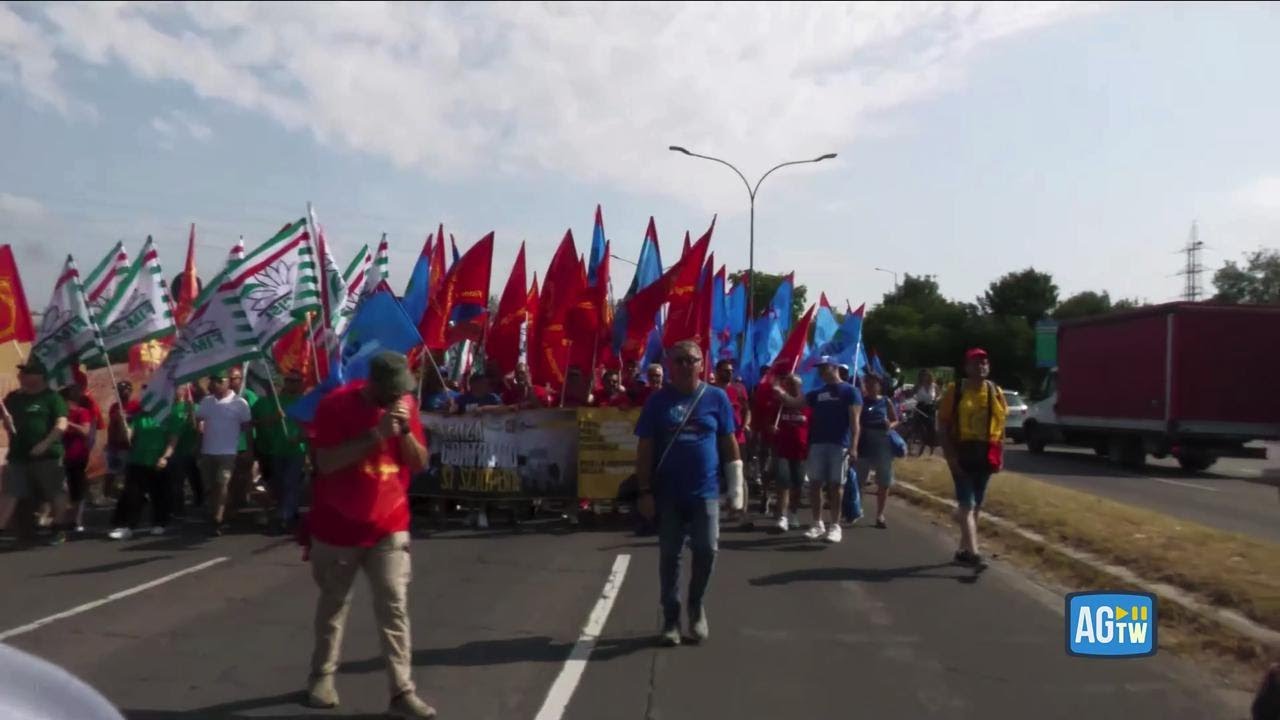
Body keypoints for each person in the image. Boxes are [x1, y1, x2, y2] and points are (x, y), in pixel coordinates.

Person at [303, 351, 436, 719]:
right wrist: (376, 435)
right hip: (337, 527)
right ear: (372, 384)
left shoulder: (405, 405)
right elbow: (326, 463)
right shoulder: (335, 406)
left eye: (402, 392)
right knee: (334, 605)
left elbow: (419, 463)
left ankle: (401, 692)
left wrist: (405, 431)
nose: (398, 398)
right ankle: (322, 677)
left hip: (389, 525)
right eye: (391, 392)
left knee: (394, 606)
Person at [635, 341, 741, 646]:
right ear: (669, 364)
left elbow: (728, 442)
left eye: (690, 360)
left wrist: (736, 488)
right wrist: (644, 492)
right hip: (667, 494)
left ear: (701, 364)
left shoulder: (716, 398)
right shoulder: (657, 401)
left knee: (707, 551)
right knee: (670, 557)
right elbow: (645, 448)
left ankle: (696, 607)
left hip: (705, 493)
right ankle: (671, 617)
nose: (684, 365)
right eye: (678, 360)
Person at [777, 356, 861, 544]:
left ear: (834, 367)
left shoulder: (850, 391)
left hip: (839, 444)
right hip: (817, 443)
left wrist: (854, 446)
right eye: (819, 369)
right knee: (815, 484)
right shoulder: (817, 393)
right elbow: (795, 403)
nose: (820, 372)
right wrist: (778, 390)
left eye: (824, 368)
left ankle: (835, 526)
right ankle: (817, 523)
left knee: (835, 486)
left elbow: (855, 423)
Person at [938, 348, 1007, 567]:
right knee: (968, 504)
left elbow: (1001, 425)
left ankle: (963, 550)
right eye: (976, 363)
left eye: (984, 362)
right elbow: (943, 426)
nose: (981, 366)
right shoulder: (955, 390)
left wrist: (1000, 455)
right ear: (966, 367)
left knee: (975, 505)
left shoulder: (995, 391)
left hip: (986, 453)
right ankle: (975, 553)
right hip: (962, 452)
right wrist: (950, 458)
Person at [0, 361, 70, 545]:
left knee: (55, 492)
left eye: (26, 373)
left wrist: (46, 443)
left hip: (47, 456)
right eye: (20, 374)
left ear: (39, 376)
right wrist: (5, 421)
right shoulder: (13, 398)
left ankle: (58, 527)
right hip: (18, 455)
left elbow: (61, 424)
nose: (21, 377)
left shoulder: (52, 398)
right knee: (10, 492)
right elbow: (4, 414)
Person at [196, 372, 252, 536]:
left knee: (223, 484)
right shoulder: (206, 402)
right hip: (208, 451)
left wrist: (249, 450)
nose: (215, 384)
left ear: (228, 383)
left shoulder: (240, 403)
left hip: (228, 452)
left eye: (219, 381)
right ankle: (220, 511)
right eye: (212, 381)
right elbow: (199, 424)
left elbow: (248, 429)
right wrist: (198, 447)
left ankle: (218, 518)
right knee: (211, 487)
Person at [107, 403, 172, 540]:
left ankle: (159, 523)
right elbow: (126, 438)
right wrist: (123, 424)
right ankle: (128, 527)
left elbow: (172, 441)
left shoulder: (166, 417)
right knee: (132, 495)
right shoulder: (138, 418)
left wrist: (165, 456)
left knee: (159, 495)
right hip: (137, 461)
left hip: (158, 462)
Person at [253, 372, 308, 533]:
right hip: (277, 449)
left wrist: (299, 438)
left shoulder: (304, 402)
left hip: (296, 450)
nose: (293, 383)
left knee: (289, 483)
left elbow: (310, 426)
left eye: (296, 381)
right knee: (279, 485)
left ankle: (284, 518)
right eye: (290, 380)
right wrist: (274, 418)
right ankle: (291, 510)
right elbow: (260, 423)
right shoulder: (275, 402)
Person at [856, 374, 899, 529]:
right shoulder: (860, 400)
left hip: (882, 443)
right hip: (864, 442)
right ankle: (857, 509)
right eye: (867, 383)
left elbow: (896, 420)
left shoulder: (885, 401)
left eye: (873, 383)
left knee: (884, 482)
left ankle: (880, 514)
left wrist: (890, 425)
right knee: (859, 479)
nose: (869, 385)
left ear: (879, 385)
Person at [770, 374, 810, 532]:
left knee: (797, 484)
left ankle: (793, 513)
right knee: (783, 483)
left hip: (801, 451)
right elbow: (770, 423)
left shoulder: (807, 405)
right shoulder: (779, 405)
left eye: (794, 384)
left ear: (800, 386)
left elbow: (812, 427)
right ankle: (782, 516)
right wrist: (771, 429)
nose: (791, 387)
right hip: (783, 450)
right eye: (789, 384)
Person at [712, 359, 751, 521]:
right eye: (725, 370)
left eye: (730, 370)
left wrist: (746, 424)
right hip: (717, 439)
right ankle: (721, 506)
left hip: (738, 438)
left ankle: (741, 509)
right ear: (717, 371)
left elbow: (747, 410)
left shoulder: (739, 389)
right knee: (718, 474)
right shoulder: (711, 390)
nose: (729, 373)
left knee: (738, 474)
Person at [164, 384, 202, 520]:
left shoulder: (194, 407)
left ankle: (200, 501)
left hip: (190, 449)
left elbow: (200, 429)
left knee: (195, 477)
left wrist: (197, 443)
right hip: (175, 451)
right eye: (175, 388)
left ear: (186, 390)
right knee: (177, 481)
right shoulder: (168, 409)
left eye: (179, 388)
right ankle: (178, 508)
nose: (176, 391)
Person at [61, 384, 94, 533]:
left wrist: (69, 424)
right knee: (62, 488)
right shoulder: (60, 414)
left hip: (78, 455)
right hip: (61, 456)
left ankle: (76, 520)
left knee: (77, 489)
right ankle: (63, 518)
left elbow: (86, 431)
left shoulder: (82, 412)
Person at [226, 366, 260, 510]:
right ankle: (233, 503)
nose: (231, 381)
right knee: (230, 478)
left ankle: (246, 499)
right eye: (229, 379)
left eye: (234, 378)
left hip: (245, 442)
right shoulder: (222, 398)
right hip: (227, 444)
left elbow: (256, 418)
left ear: (241, 379)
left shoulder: (248, 396)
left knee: (245, 476)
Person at [836, 364, 863, 525]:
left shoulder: (854, 392)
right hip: (838, 441)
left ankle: (852, 510)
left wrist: (854, 445)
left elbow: (856, 422)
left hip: (850, 439)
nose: (843, 374)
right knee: (840, 479)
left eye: (846, 372)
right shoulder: (834, 392)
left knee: (848, 478)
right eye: (841, 372)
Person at [105, 381, 139, 499]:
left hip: (128, 445)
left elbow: (137, 421)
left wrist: (129, 417)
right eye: (118, 390)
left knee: (129, 472)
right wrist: (119, 416)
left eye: (123, 390)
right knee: (112, 471)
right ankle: (107, 494)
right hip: (114, 445)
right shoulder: (115, 407)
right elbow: (113, 420)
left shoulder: (135, 406)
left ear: (129, 391)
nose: (120, 392)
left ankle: (130, 494)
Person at [914, 369, 940, 454]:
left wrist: (936, 400)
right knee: (919, 426)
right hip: (920, 407)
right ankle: (916, 443)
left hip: (930, 408)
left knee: (931, 428)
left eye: (926, 375)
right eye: (923, 375)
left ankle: (931, 449)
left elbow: (939, 395)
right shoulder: (918, 386)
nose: (924, 377)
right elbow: (911, 394)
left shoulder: (934, 386)